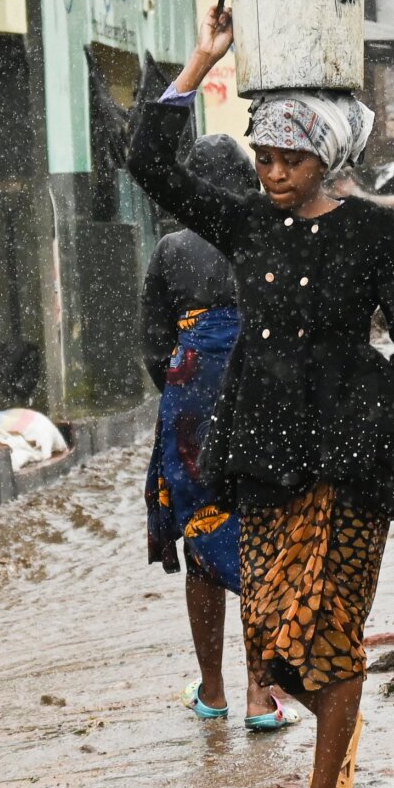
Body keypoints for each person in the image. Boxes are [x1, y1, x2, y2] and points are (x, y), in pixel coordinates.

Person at [128, 6, 394, 788]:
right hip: (261, 451)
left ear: (326, 159)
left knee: (326, 623)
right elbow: (147, 160)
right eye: (263, 157)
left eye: (288, 159)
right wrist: (200, 62)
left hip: (351, 461)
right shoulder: (247, 224)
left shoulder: (374, 231)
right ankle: (340, 729)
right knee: (269, 635)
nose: (271, 172)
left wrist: (370, 427)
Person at [142, 132, 294, 732]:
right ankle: (262, 695)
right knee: (262, 533)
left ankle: (213, 691)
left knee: (203, 539)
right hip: (264, 395)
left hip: (190, 409)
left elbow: (155, 345)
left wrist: (187, 397)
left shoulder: (171, 248)